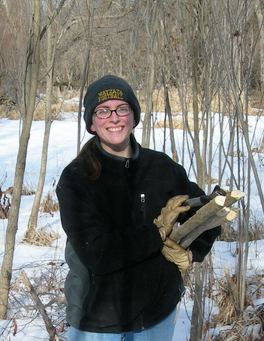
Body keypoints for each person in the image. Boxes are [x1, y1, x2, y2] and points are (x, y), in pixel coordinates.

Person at [56, 75, 221, 341]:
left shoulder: (161, 168)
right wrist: (155, 233)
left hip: (157, 315)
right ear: (91, 123)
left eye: (122, 108)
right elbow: (97, 254)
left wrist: (192, 253)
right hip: (98, 321)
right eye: (103, 111)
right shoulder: (77, 178)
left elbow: (209, 213)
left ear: (134, 117)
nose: (114, 118)